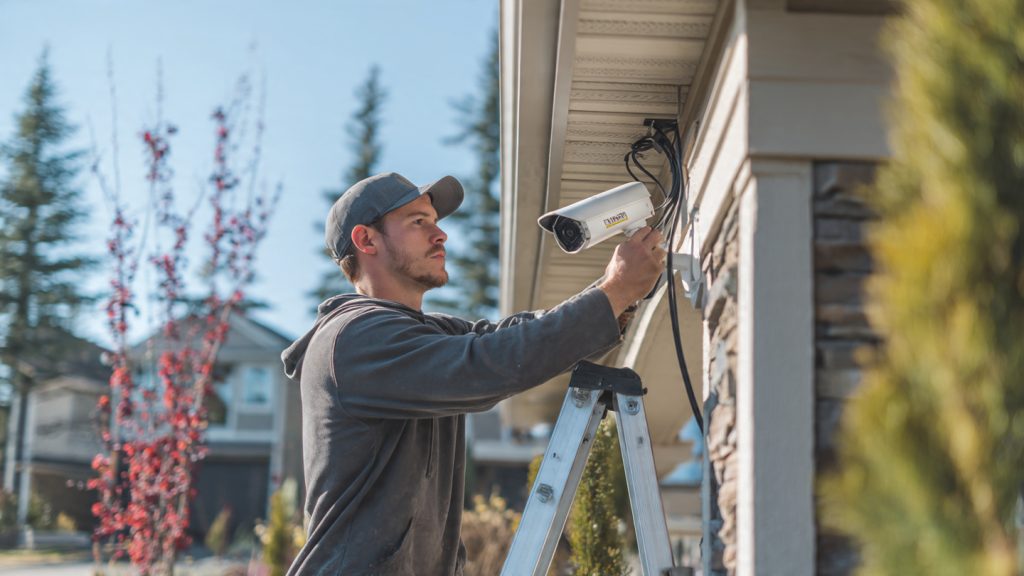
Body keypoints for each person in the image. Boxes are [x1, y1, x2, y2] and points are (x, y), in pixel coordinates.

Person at [281, 172, 665, 575]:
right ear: (366, 240)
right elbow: (487, 364)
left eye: (435, 220)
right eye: (418, 222)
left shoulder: (425, 333)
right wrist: (615, 290)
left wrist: (614, 292)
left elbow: (509, 337)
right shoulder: (352, 338)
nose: (440, 234)